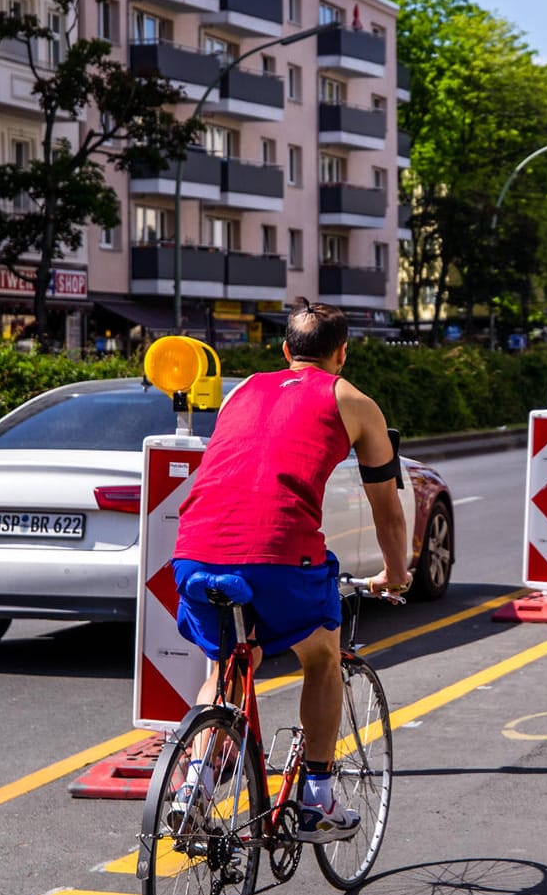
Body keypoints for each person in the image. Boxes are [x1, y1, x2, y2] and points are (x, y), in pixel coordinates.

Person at [168, 301, 411, 839]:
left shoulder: (244, 388)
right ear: (342, 353)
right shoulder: (353, 401)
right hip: (281, 556)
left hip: (194, 552)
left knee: (224, 665)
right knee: (323, 657)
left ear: (285, 352)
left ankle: (195, 786)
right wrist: (397, 573)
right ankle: (318, 799)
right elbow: (387, 509)